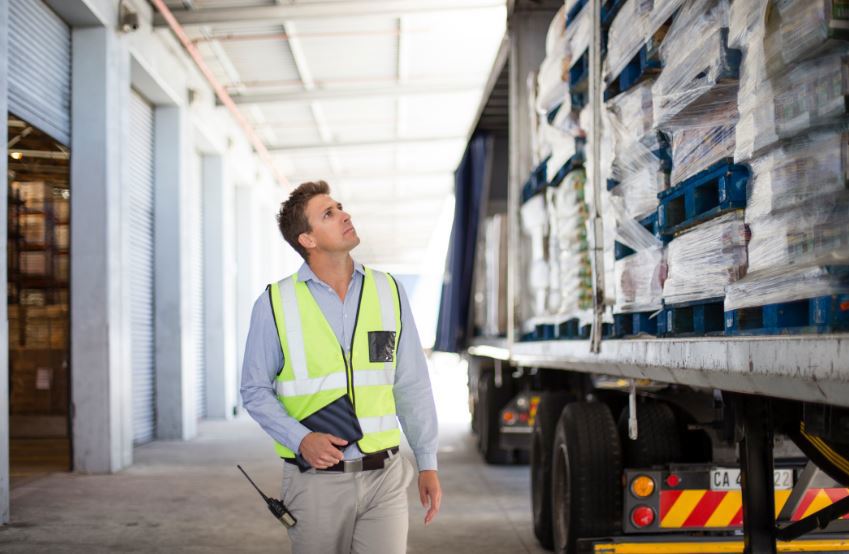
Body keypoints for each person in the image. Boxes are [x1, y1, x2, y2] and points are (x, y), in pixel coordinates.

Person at [240, 180, 441, 554]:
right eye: (328, 214)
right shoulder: (275, 303)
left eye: (341, 208)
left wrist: (427, 461)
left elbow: (411, 383)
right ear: (307, 239)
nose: (344, 215)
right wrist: (300, 439)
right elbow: (254, 390)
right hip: (315, 483)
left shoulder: (389, 291)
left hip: (385, 477)